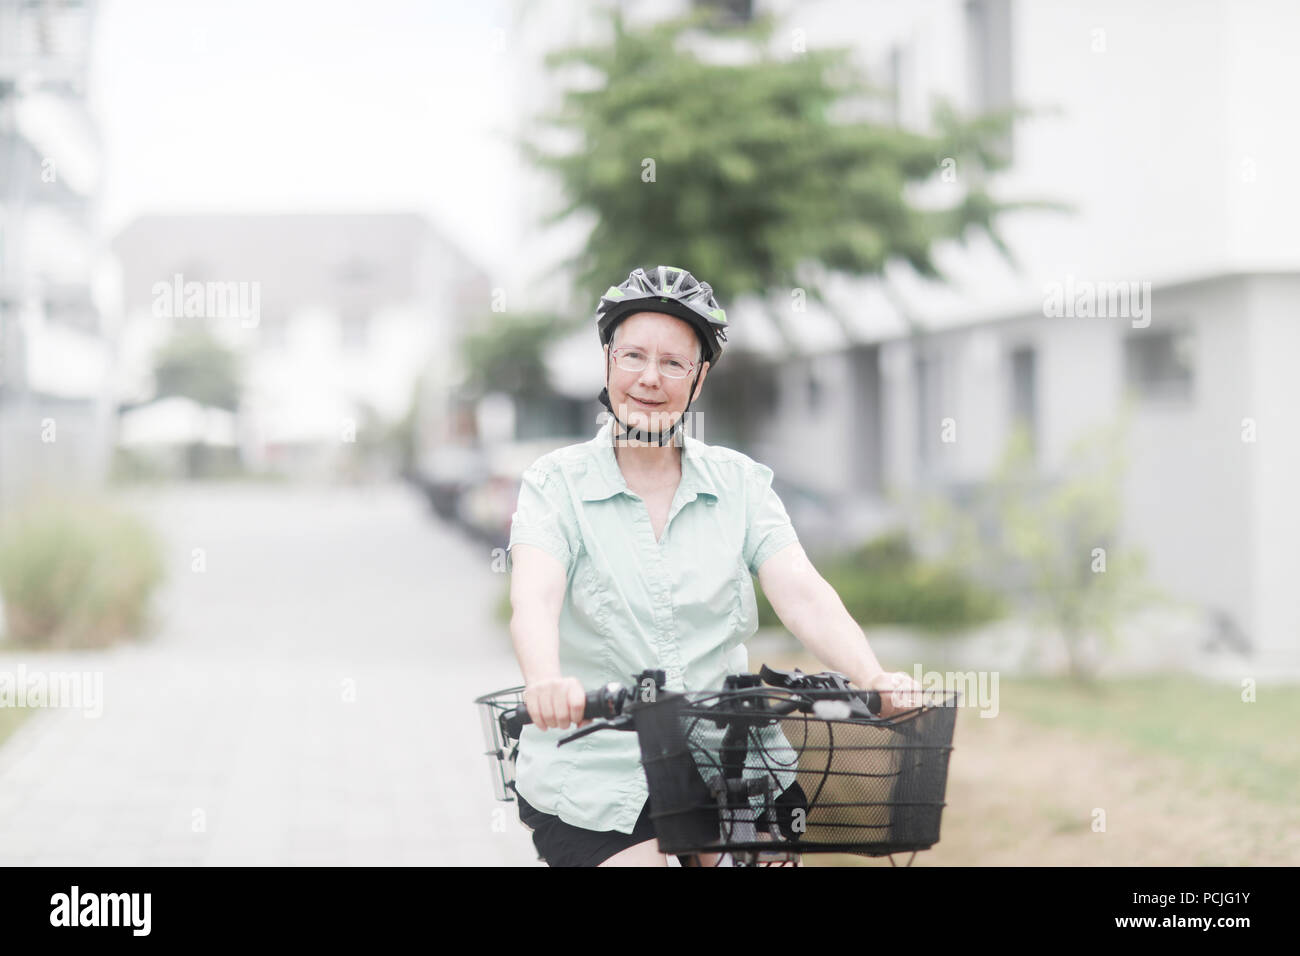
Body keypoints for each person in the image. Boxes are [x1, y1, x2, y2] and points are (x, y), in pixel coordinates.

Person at [506, 265, 923, 867]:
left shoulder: (740, 484)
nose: (650, 378)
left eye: (674, 363)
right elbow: (536, 597)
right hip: (598, 763)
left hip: (733, 757)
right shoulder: (555, 484)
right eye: (633, 356)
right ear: (607, 363)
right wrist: (546, 681)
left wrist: (873, 675)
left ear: (697, 382)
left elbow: (802, 592)